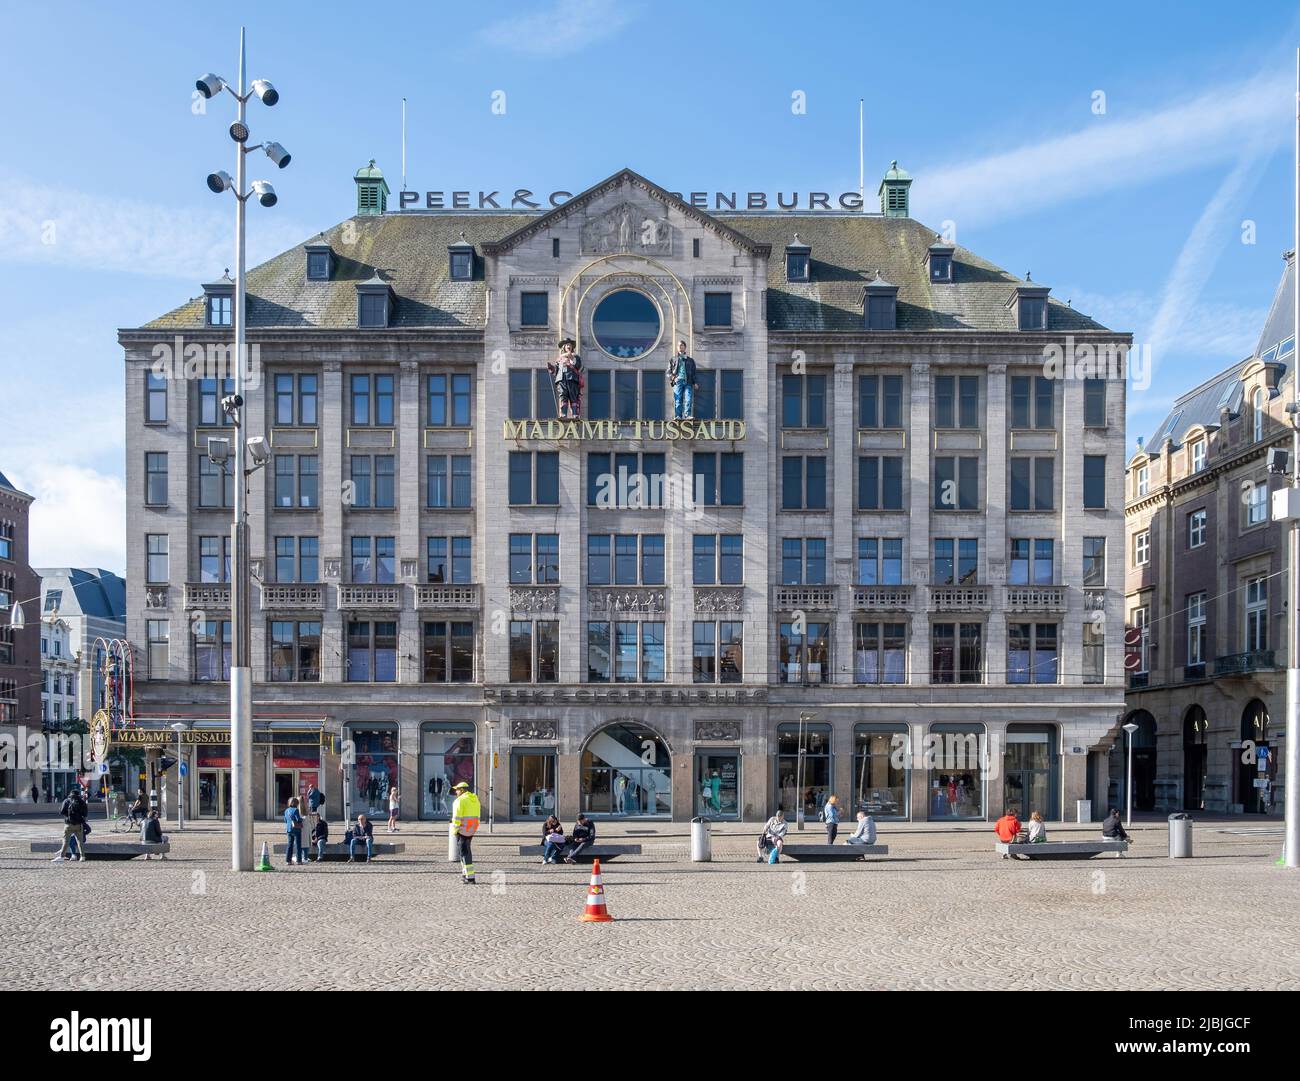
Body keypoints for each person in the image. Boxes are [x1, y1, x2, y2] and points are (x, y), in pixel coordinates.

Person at [450, 780, 481, 883]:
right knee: (466, 851)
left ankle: (470, 877)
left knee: (464, 853)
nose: (456, 792)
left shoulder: (459, 801)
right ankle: (465, 875)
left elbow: (456, 818)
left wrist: (455, 831)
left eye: (457, 790)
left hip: (462, 830)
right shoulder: (475, 799)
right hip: (471, 829)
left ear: (462, 790)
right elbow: (477, 815)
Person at [548, 339, 584, 420]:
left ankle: (575, 414)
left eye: (570, 345)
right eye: (567, 345)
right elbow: (556, 371)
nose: (568, 346)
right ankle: (563, 414)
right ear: (563, 347)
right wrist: (551, 368)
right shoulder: (559, 359)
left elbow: (578, 366)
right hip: (561, 379)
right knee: (563, 396)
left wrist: (571, 357)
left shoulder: (576, 356)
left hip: (572, 379)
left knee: (573, 397)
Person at [54, 786, 88, 862]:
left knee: (66, 841)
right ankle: (82, 857)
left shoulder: (67, 801)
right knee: (80, 841)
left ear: (70, 794)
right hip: (79, 825)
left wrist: (68, 814)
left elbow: (62, 812)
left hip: (68, 824)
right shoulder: (82, 802)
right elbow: (85, 814)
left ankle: (61, 857)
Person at [667, 340, 697, 420]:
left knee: (688, 398)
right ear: (677, 348)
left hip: (688, 381)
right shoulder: (673, 359)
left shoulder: (690, 360)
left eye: (682, 345)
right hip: (678, 381)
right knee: (678, 399)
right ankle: (678, 416)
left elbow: (693, 372)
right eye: (679, 345)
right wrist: (672, 377)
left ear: (685, 347)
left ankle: (687, 415)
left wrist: (695, 382)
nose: (680, 346)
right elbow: (668, 372)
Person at [284, 796, 304, 867]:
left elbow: (285, 820)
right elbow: (298, 819)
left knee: (290, 845)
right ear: (296, 803)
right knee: (298, 845)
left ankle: (288, 860)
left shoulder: (286, 810)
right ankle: (299, 860)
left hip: (289, 829)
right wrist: (302, 819)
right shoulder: (296, 810)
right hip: (296, 829)